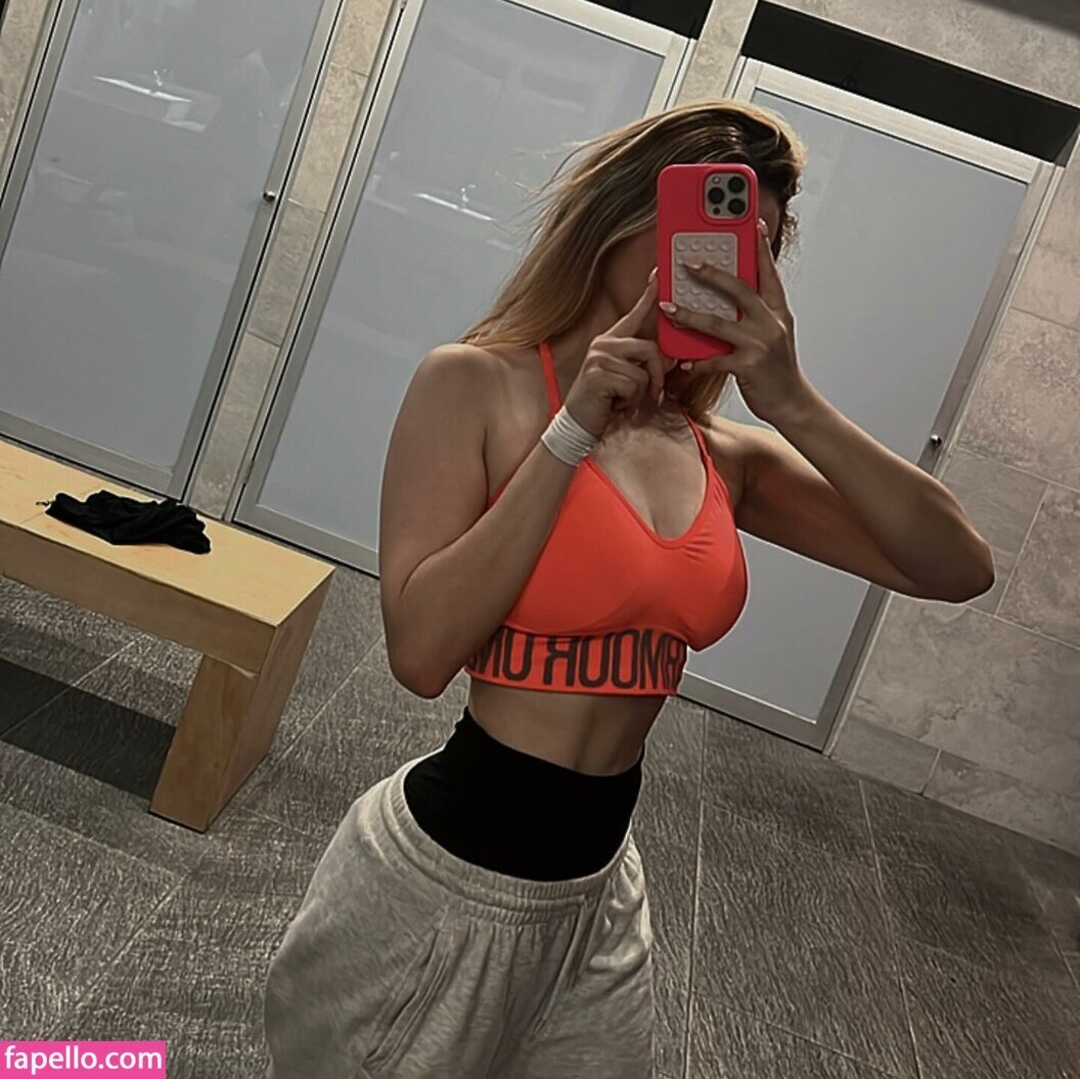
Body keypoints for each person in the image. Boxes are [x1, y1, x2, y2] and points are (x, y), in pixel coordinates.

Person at [262, 99, 994, 1079]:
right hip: (446, 881)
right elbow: (421, 653)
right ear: (621, 216)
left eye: (758, 248)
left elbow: (957, 565)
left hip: (598, 896)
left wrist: (792, 400)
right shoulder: (474, 386)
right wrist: (570, 430)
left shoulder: (723, 453)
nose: (725, 266)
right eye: (710, 227)